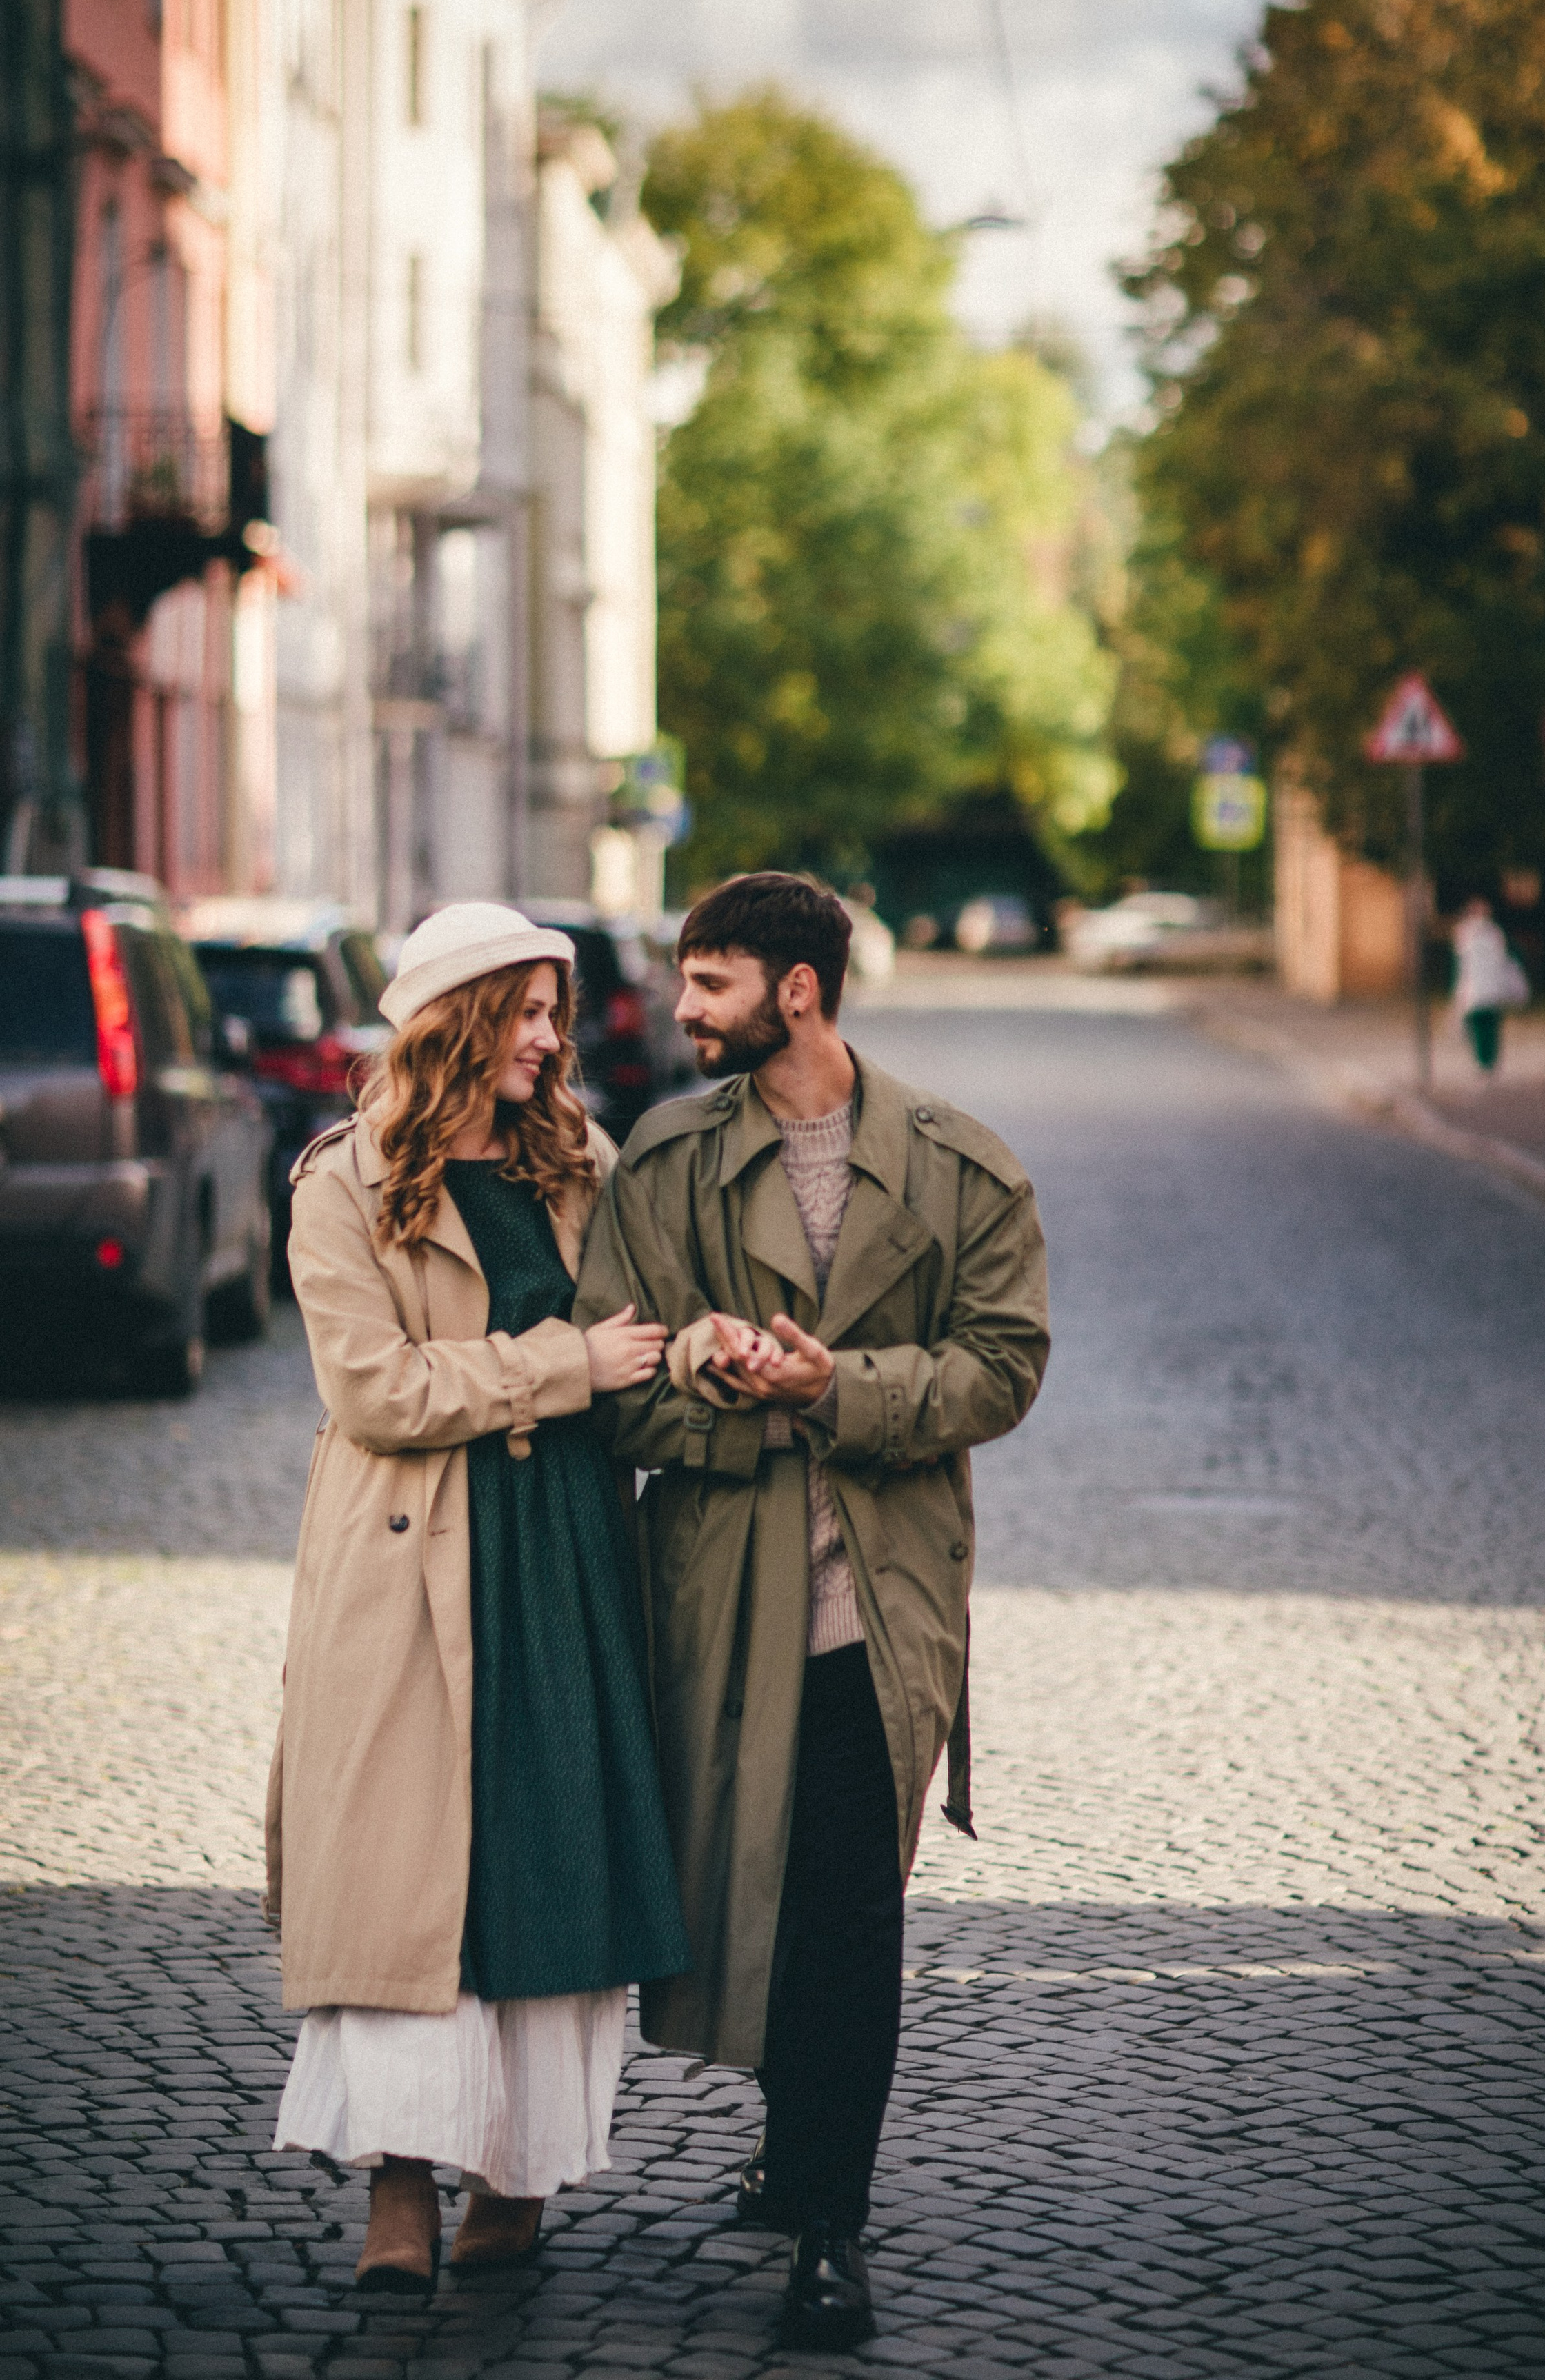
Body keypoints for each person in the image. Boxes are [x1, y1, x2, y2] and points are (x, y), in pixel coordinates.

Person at [575, 873, 1049, 2351]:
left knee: (850, 1914)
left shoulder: (959, 1167)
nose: (677, 1007)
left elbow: (1002, 1368)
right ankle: (791, 2146)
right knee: (756, 1905)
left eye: (706, 982)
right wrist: (708, 1375)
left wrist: (834, 1390)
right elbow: (612, 1393)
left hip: (878, 1608)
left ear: (795, 990)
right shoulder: (662, 1160)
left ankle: (829, 2228)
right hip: (720, 1608)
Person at [266, 902, 690, 2293]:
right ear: (454, 1018)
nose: (550, 1039)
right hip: (410, 1565)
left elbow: (645, 1338)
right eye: (524, 1012)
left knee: (544, 1859)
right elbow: (375, 1390)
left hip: (564, 1549)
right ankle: (398, 2187)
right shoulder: (344, 1180)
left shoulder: (579, 1160)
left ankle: (514, 2177)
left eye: (554, 1013)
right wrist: (559, 1367)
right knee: (410, 1885)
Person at [1451, 897, 1530, 1075]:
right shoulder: (1494, 933)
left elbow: (1459, 964)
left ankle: (1483, 1062)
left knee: (1479, 1027)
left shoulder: (1465, 933)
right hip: (1493, 989)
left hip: (1475, 989)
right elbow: (1509, 958)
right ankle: (1489, 1062)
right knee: (1490, 1027)